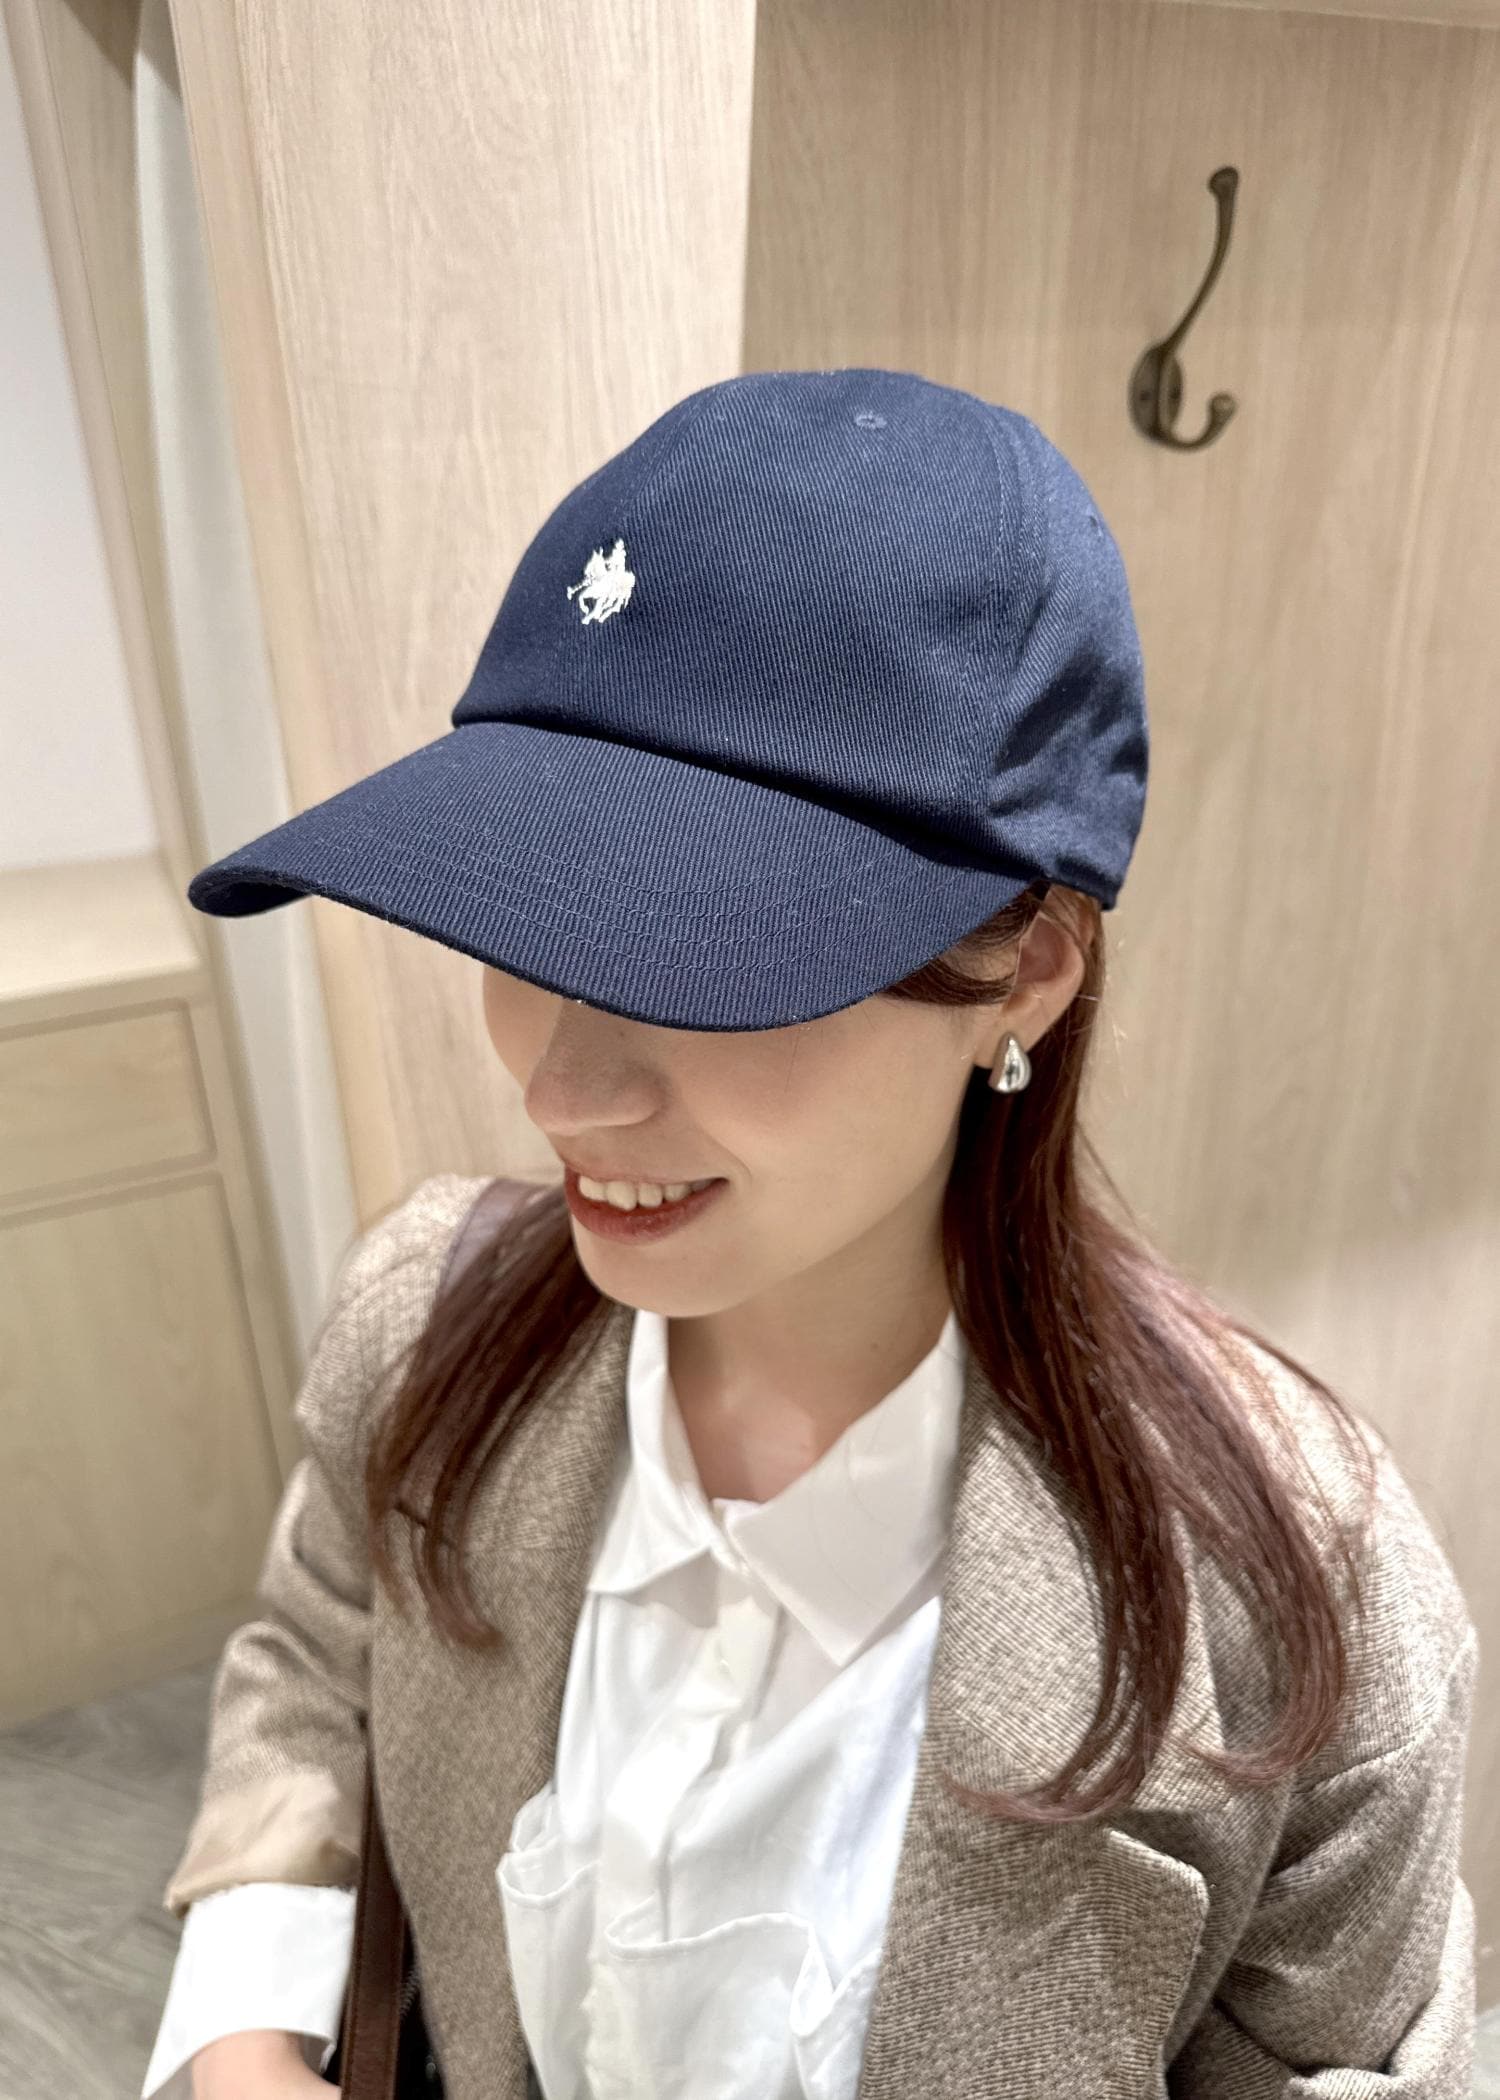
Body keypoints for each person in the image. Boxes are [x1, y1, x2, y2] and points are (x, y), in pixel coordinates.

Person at [141, 368, 1478, 2100]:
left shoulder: (1299, 1594)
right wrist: (242, 2029)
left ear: (1028, 971)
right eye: (519, 925)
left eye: (703, 963)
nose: (565, 1089)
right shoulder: (426, 1322)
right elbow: (314, 1667)